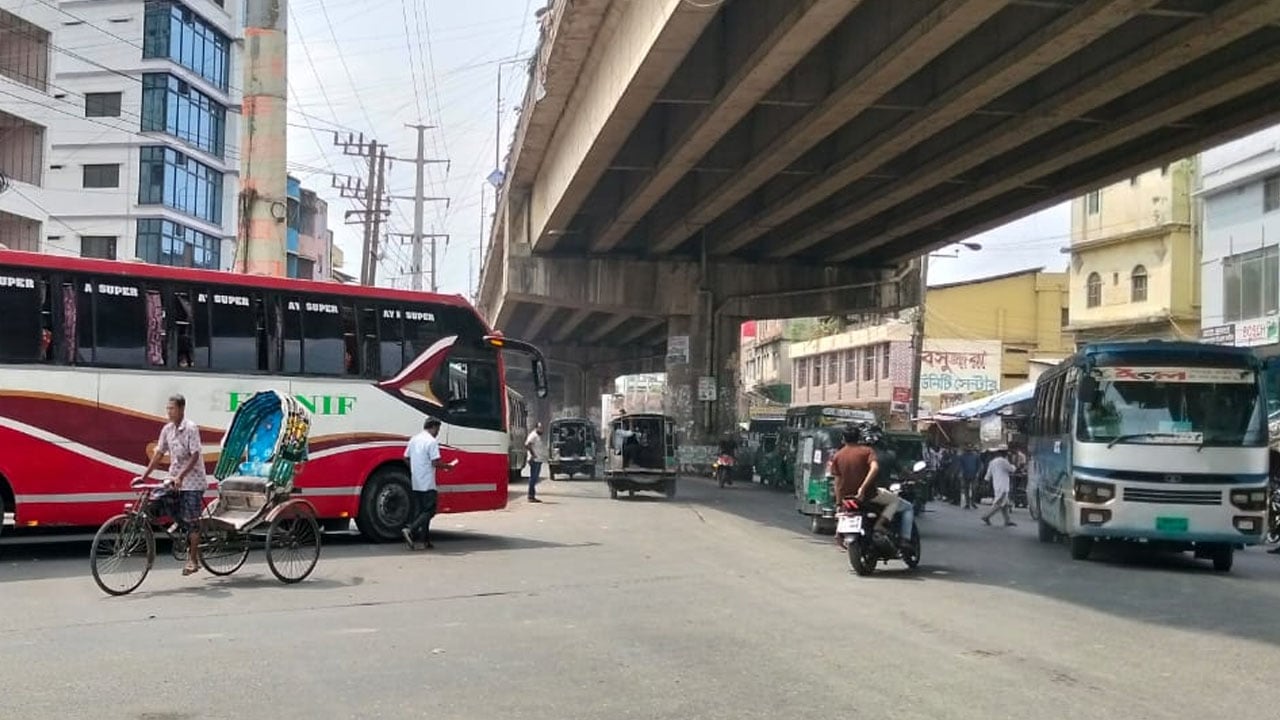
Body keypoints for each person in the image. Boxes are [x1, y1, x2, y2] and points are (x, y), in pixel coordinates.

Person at [139, 394, 206, 576]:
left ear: (182, 409)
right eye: (167, 408)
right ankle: (179, 524)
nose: (169, 412)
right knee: (158, 500)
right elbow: (159, 454)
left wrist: (181, 476)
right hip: (174, 478)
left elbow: (195, 455)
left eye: (172, 408)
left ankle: (193, 560)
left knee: (192, 522)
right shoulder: (167, 429)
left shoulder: (191, 428)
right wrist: (143, 476)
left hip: (193, 481)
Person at [830, 425, 913, 547]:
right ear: (858, 438)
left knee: (844, 512)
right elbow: (874, 468)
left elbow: (837, 481)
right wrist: (863, 488)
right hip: (869, 494)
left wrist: (838, 502)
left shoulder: (838, 455)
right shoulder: (867, 452)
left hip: (847, 496)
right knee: (897, 502)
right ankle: (879, 525)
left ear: (843, 439)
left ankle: (838, 533)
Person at [402, 417, 455, 550]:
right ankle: (410, 530)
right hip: (427, 483)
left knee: (421, 512)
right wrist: (447, 466)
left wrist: (414, 469)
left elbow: (405, 457)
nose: (438, 432)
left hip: (416, 481)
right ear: (433, 427)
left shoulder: (414, 439)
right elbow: (435, 462)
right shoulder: (431, 442)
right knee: (429, 511)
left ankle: (425, 540)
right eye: (438, 429)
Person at [982, 447, 1017, 527]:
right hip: (1003, 486)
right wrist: (1014, 464)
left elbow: (987, 476)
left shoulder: (992, 462)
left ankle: (1007, 520)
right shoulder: (1003, 461)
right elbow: (1012, 469)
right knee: (999, 504)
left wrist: (986, 483)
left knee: (1005, 504)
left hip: (997, 485)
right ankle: (986, 516)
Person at [526, 421, 547, 503]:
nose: (542, 429)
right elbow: (527, 445)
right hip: (534, 460)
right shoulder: (533, 435)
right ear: (536, 428)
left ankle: (532, 496)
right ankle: (530, 496)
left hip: (538, 460)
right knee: (533, 478)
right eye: (540, 428)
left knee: (535, 478)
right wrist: (533, 454)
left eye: (542, 428)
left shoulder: (538, 436)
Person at [958, 445, 981, 509]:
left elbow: (979, 465)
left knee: (974, 489)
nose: (968, 450)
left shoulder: (976, 456)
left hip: (974, 475)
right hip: (965, 474)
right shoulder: (962, 456)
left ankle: (972, 502)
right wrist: (961, 473)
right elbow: (961, 465)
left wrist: (978, 473)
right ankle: (967, 503)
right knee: (966, 489)